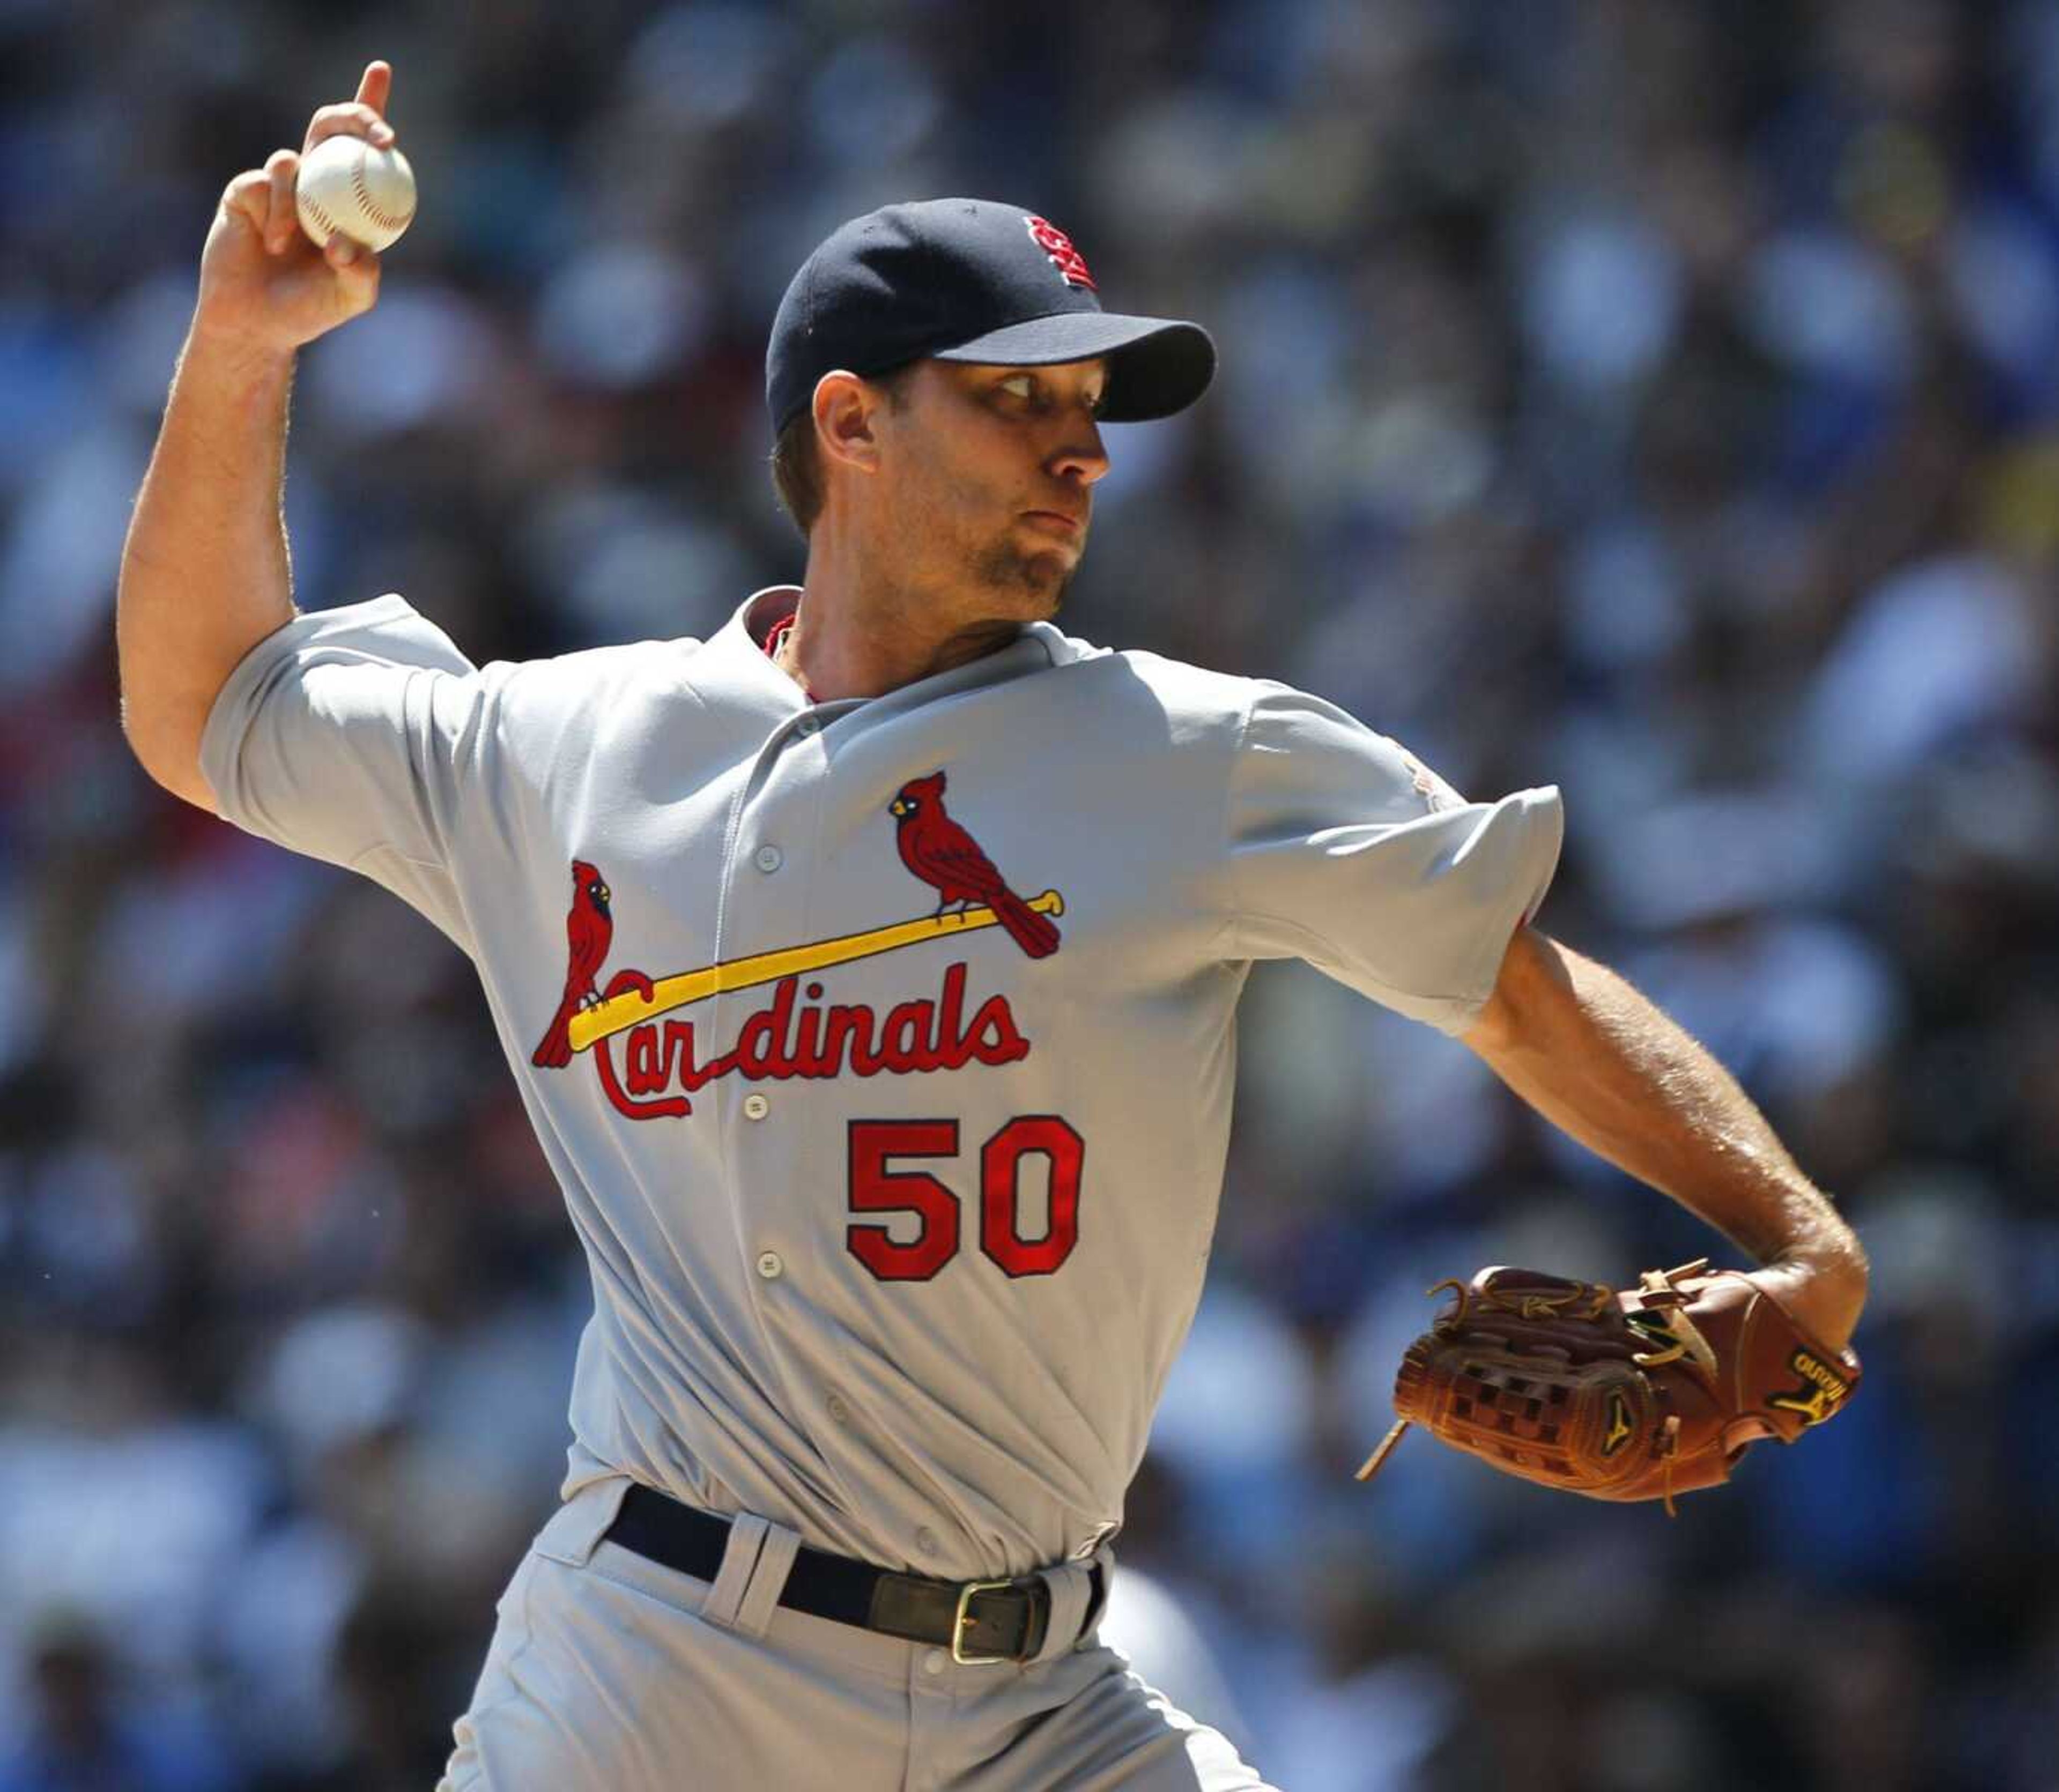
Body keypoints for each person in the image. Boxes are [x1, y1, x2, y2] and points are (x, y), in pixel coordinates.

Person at [117, 60, 1868, 1792]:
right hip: (657, 1667)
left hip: (1041, 1699)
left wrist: (1794, 1234)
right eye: (1020, 401)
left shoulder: (1196, 756)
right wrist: (243, 347)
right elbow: (204, 704)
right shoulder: (569, 745)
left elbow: (1508, 985)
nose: (1087, 452)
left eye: (1094, 404)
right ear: (851, 423)